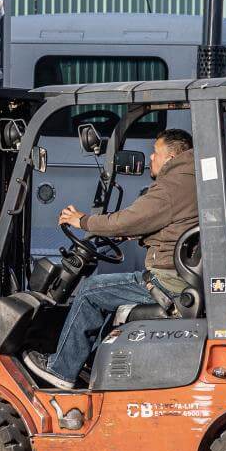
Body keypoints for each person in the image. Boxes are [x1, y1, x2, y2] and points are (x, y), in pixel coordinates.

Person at [23, 128, 199, 390]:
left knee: (91, 291)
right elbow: (173, 224)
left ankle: (60, 369)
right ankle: (91, 365)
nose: (150, 158)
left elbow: (128, 219)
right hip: (182, 276)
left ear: (171, 157)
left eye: (155, 153)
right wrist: (138, 235)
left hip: (167, 280)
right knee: (109, 296)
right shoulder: (197, 179)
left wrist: (82, 221)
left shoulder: (172, 185)